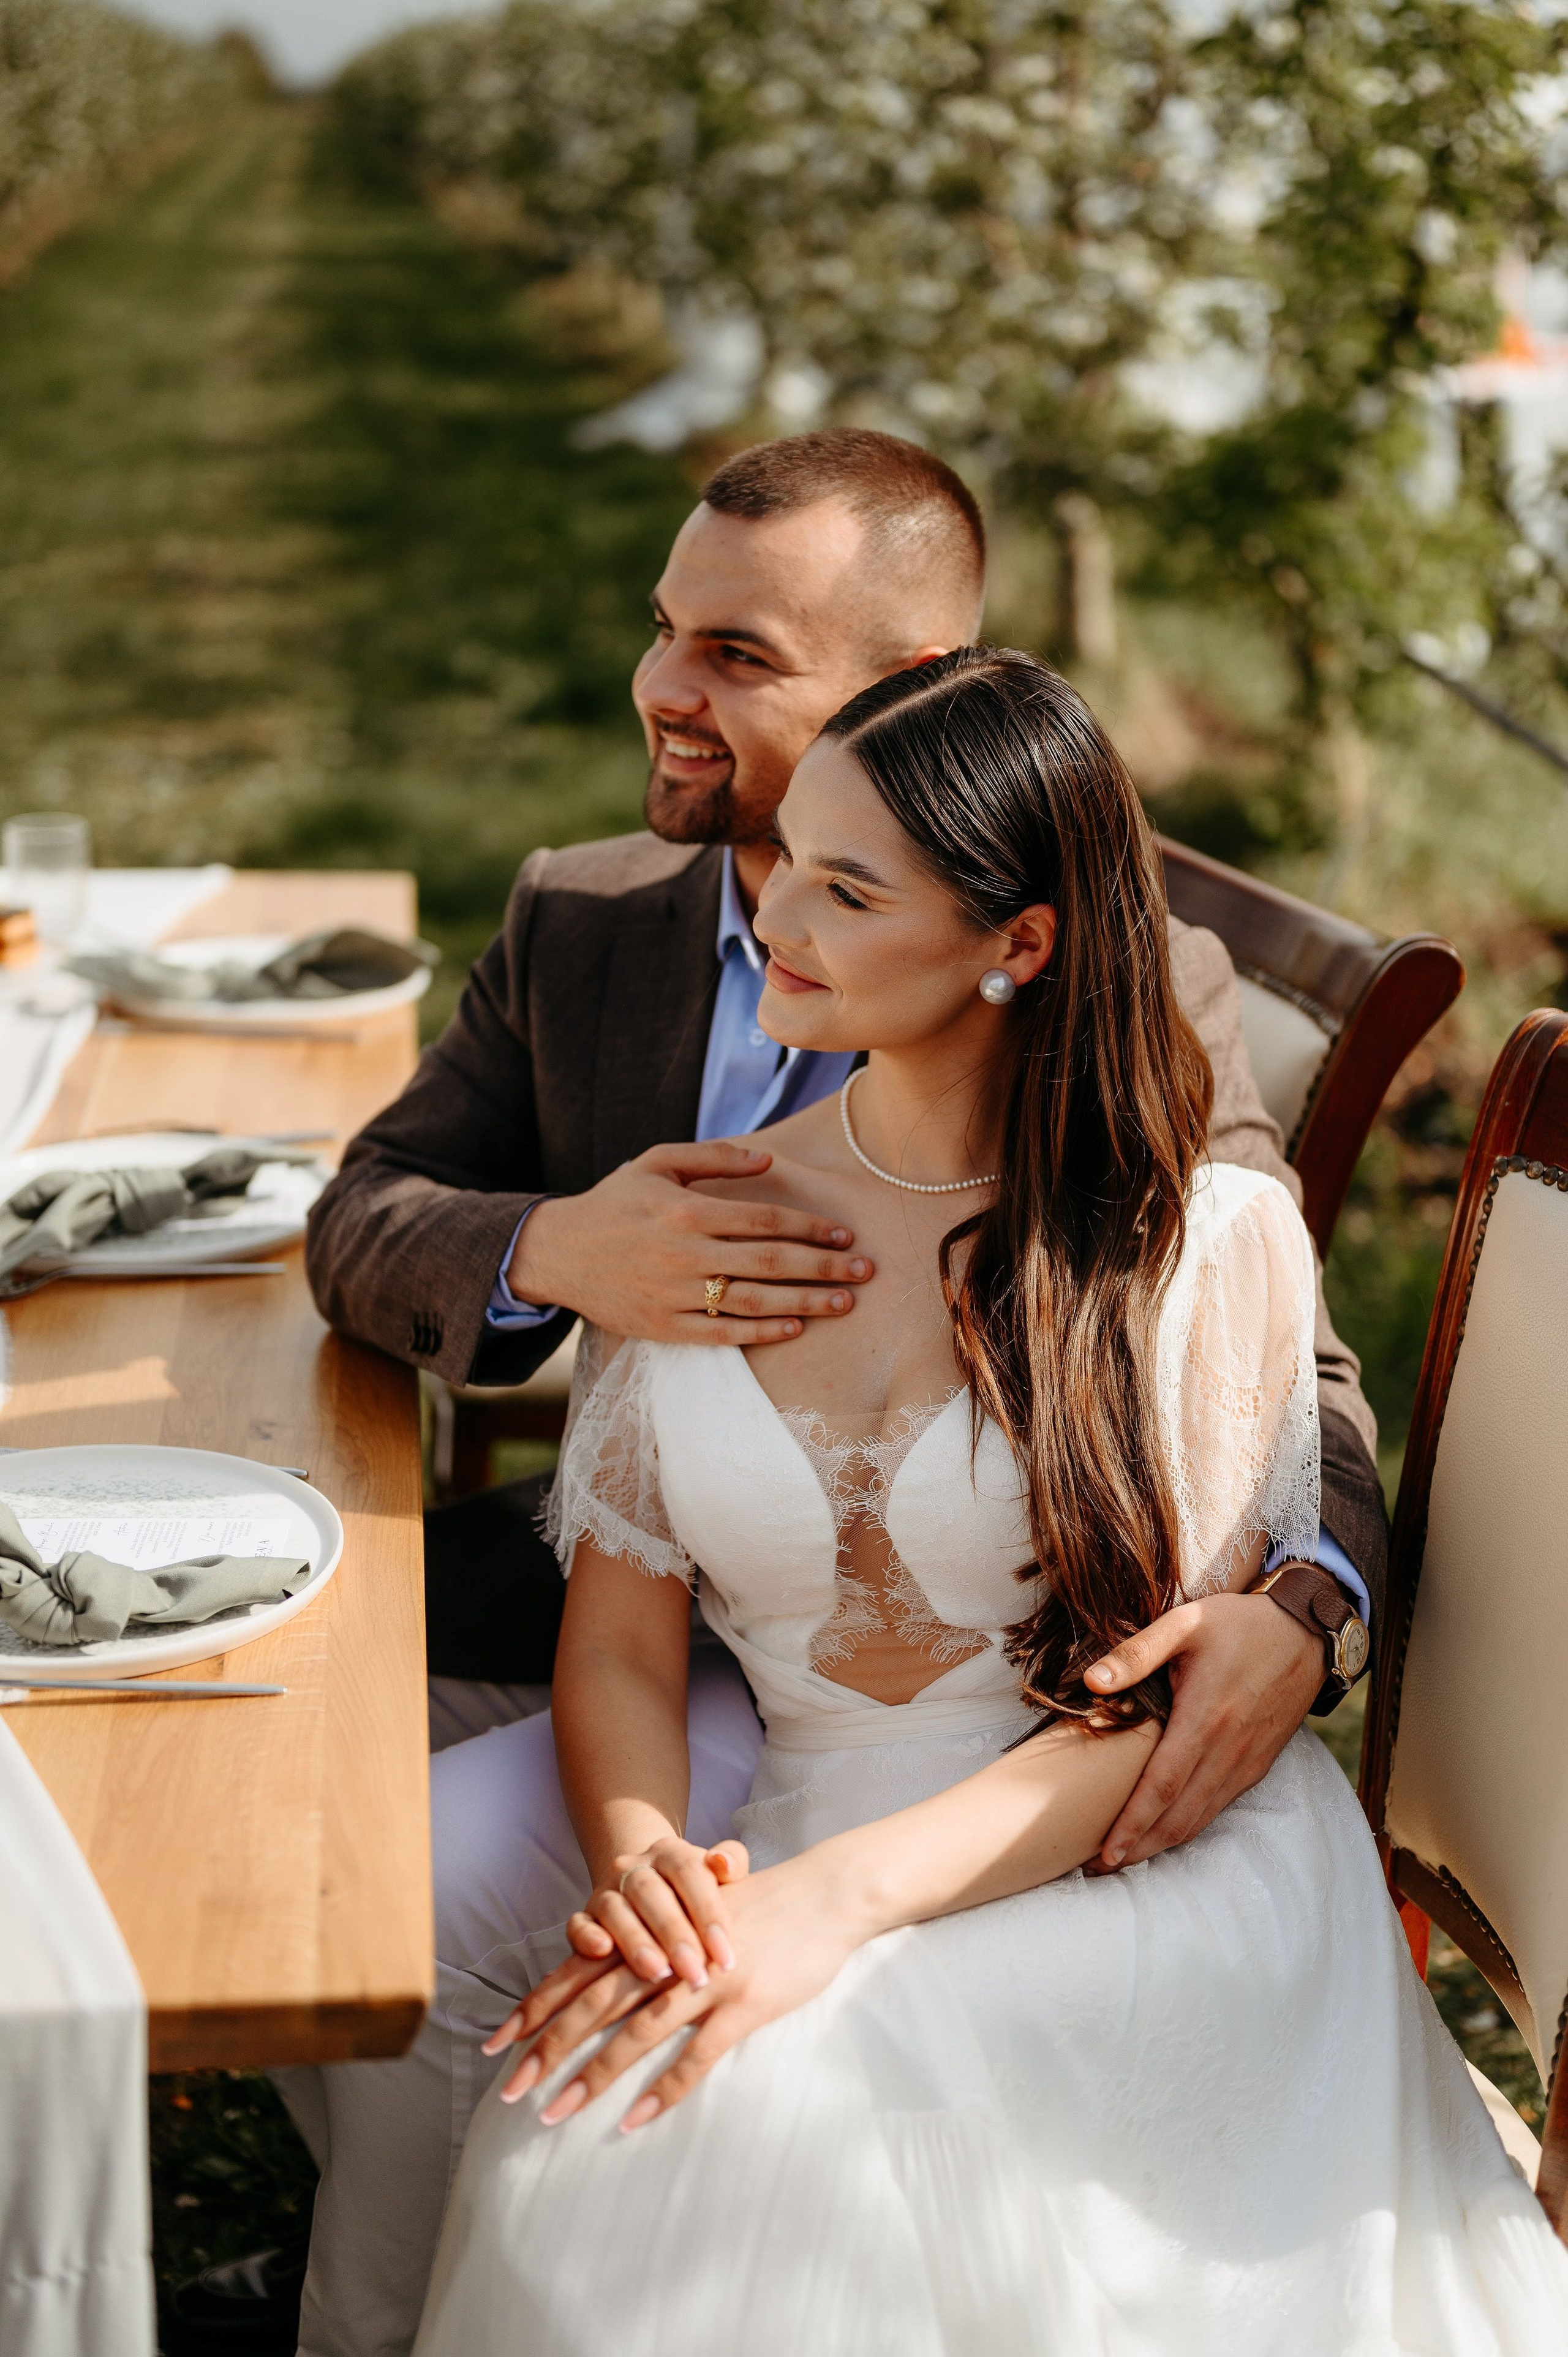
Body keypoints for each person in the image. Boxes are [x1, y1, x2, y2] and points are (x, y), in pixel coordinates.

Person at [250, 431, 1395, 2357]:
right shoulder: (585, 915)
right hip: (671, 1642)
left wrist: (1309, 1606)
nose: (661, 690)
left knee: (543, 2004)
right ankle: (380, 2296)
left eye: (735, 655)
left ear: (908, 703)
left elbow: (1288, 1371)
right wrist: (557, 1257)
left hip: (1022, 1710)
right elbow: (364, 1217)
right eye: (662, 631)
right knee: (306, 1856)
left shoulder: (1142, 1010)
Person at [407, 646, 1568, 2354]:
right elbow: (627, 1648)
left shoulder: (1192, 1243)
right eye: (787, 856)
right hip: (797, 1816)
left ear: (1017, 944)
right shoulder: (700, 1223)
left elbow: (1156, 1710)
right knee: (600, 2125)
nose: (777, 915)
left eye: (850, 889)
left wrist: (820, 1916)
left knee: (742, 2118)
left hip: (1140, 1860)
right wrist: (656, 1872)